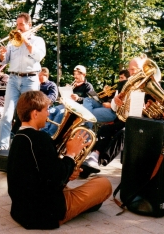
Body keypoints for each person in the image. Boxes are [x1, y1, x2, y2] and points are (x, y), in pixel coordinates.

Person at [7, 90, 112, 229]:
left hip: (20, 210)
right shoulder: (40, 139)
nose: (49, 114)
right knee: (103, 183)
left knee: (82, 188)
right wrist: (71, 153)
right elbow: (55, 178)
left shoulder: (18, 137)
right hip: (45, 213)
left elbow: (44, 173)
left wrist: (69, 170)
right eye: (46, 109)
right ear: (35, 113)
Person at [80, 55, 148, 177]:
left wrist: (146, 107)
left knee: (122, 134)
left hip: (141, 123)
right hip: (124, 120)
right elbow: (114, 108)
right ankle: (93, 158)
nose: (132, 72)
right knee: (104, 129)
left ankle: (99, 160)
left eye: (135, 69)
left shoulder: (148, 86)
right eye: (130, 70)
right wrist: (115, 102)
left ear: (143, 68)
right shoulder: (123, 85)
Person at [0, 12, 46, 150]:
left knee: (31, 115)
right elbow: (3, 61)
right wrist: (1, 56)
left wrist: (25, 40)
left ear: (29, 25)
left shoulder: (38, 40)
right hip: (13, 79)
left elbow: (39, 56)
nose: (18, 27)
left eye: (21, 24)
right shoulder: (12, 41)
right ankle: (3, 148)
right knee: (6, 115)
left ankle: (29, 148)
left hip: (30, 79)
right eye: (17, 24)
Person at [41, 65, 94, 136]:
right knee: (49, 111)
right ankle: (43, 132)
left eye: (78, 74)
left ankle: (51, 135)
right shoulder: (73, 85)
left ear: (84, 75)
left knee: (60, 113)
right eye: (75, 74)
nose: (75, 76)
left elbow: (90, 100)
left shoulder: (88, 86)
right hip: (66, 105)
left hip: (77, 108)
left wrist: (78, 98)